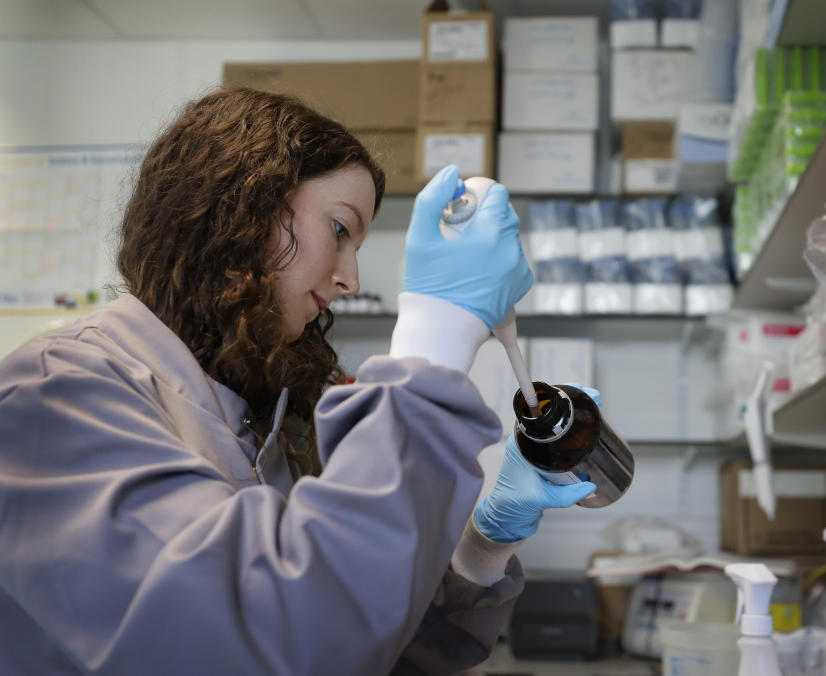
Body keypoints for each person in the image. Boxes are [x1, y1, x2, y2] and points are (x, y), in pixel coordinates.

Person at [0, 87, 599, 675]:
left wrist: (482, 547)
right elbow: (274, 642)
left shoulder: (258, 415)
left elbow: (371, 646)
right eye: (341, 230)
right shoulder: (53, 396)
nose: (351, 278)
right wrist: (434, 344)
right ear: (234, 207)